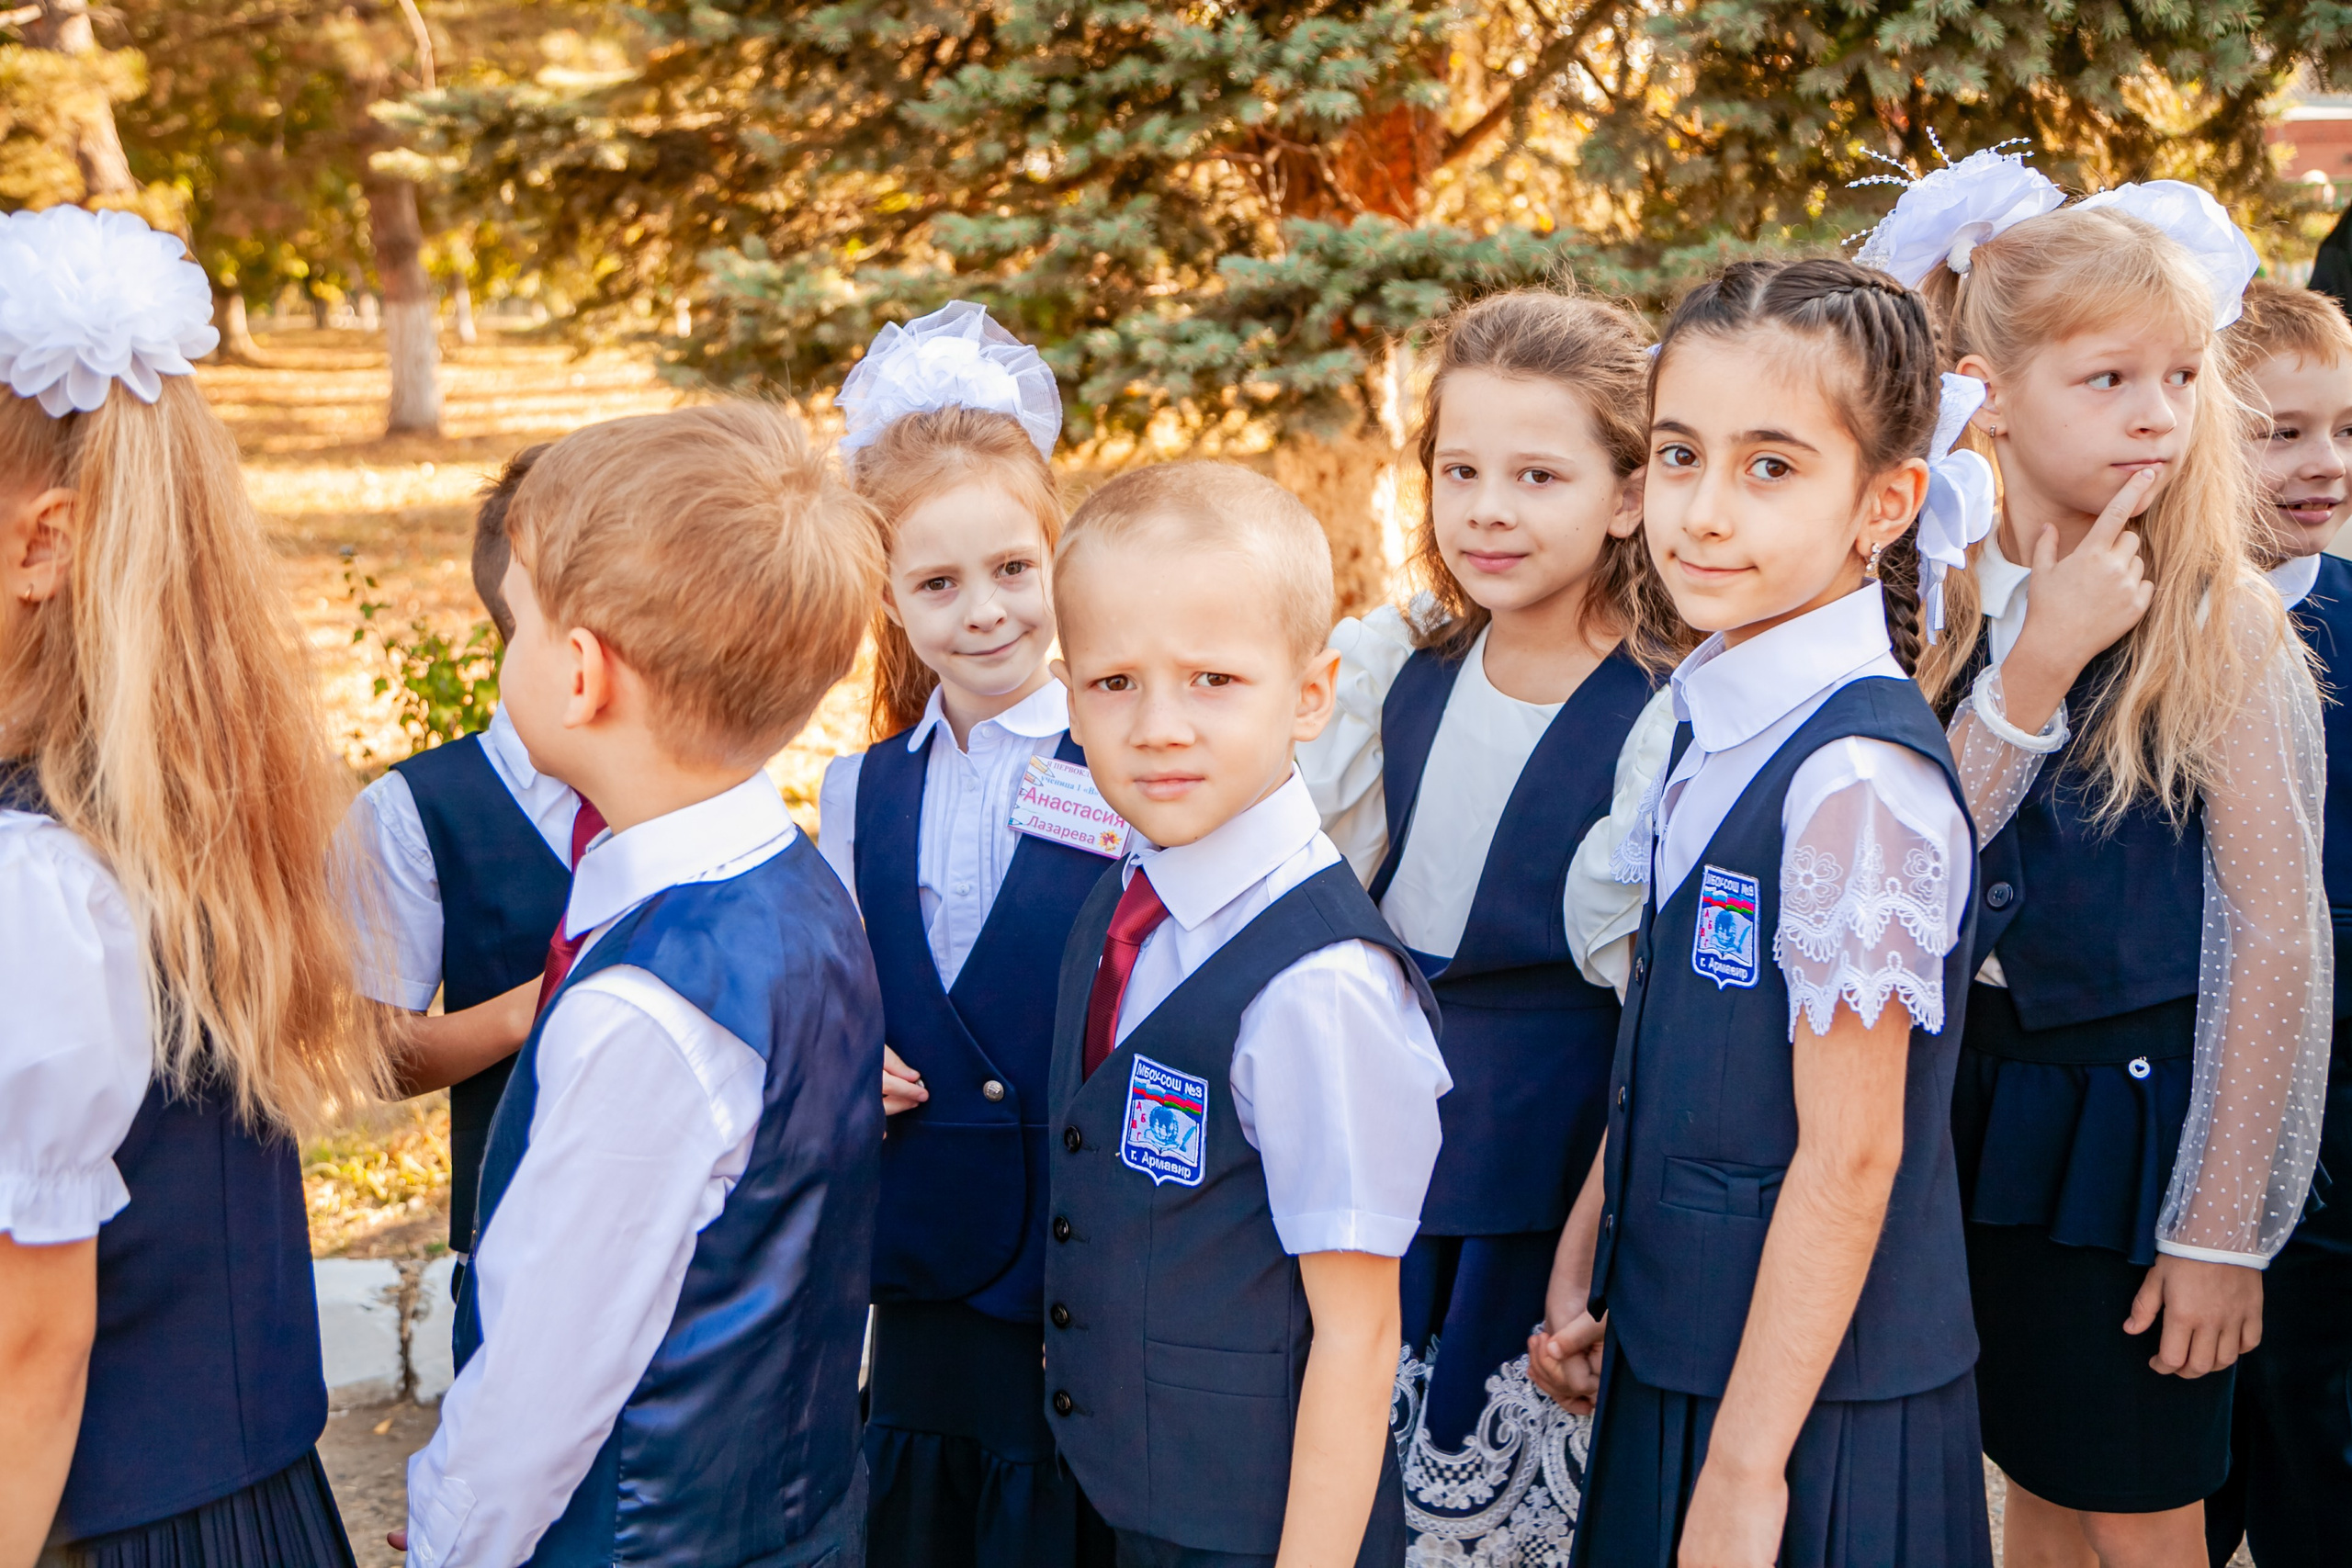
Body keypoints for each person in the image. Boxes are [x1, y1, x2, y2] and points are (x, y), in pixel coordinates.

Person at [1528, 256, 1997, 1567]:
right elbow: (1677, 1036)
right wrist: (1591, 1258)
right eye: (1680, 454)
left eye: (1772, 466)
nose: (1704, 512)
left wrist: (1742, 1471)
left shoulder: (1857, 781)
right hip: (1689, 1350)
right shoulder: (1713, 712)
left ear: (1884, 503)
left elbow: (1852, 1154)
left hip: (1808, 1423)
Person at [1890, 163, 2328, 1563]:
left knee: (2146, 1515)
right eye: (2109, 378)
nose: (2157, 410)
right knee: (2040, 1490)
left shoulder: (2223, 620)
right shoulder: (1931, 593)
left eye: (2182, 375)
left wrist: (2220, 1227)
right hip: (1978, 1117)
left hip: (2141, 1140)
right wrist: (2032, 661)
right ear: (1989, 392)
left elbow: (2274, 933)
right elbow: (1917, 860)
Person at [398, 402, 886, 1568]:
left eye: (513, 625)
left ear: (578, 674)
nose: (505, 653)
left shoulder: (647, 1006)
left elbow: (539, 1382)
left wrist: (444, 1541)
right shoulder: (797, 884)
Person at [0, 205, 390, 1568]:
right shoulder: (151, 801)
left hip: (89, 1519)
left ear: (40, 546)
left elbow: (28, 1350)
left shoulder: (35, 882)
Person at [1295, 288, 1680, 1558]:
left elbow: (1659, 1022)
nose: (1489, 509)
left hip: (1549, 1166)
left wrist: (1599, 1250)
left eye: (1537, 474)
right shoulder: (1395, 670)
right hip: (1391, 1157)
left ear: (1627, 494)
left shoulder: (1664, 714)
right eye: (1460, 470)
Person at [1042, 462, 1453, 1568]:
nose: (1159, 726)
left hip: (1259, 1533)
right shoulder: (1122, 902)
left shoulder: (1318, 990)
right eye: (1114, 683)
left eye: (1214, 680)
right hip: (1119, 1504)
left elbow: (1361, 1339)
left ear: (1310, 695)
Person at [811, 303, 1114, 1568]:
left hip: (1075, 1255)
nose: (982, 611)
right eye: (937, 583)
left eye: (1011, 570)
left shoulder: (1125, 761)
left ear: (1056, 557)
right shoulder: (859, 788)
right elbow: (845, 982)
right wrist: (852, 1050)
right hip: (924, 1255)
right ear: (887, 592)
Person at [348, 442, 589, 1269]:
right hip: (515, 1243)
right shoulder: (415, 810)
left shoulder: (694, 784)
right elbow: (382, 1055)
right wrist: (535, 1004)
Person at [2204, 278, 2352, 1568]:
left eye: (2346, 429)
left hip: (2341, 1104)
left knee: (2320, 1412)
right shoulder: (2152, 629)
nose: (2327, 463)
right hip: (2188, 1099)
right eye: (2284, 431)